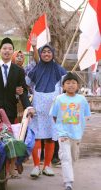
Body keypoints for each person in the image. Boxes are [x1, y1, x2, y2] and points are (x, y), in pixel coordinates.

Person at [26, 44, 67, 177]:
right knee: (37, 137)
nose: (46, 54)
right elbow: (26, 84)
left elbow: (66, 85)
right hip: (37, 108)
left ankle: (47, 166)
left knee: (50, 137)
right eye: (43, 52)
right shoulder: (35, 69)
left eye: (49, 52)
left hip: (53, 109)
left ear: (53, 54)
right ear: (40, 54)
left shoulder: (58, 69)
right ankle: (36, 166)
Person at [49, 72, 91, 190]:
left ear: (78, 85)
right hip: (63, 133)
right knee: (66, 157)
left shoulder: (82, 99)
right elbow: (54, 115)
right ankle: (68, 182)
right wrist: (60, 128)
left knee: (73, 157)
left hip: (77, 134)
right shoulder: (59, 99)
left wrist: (79, 125)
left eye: (73, 83)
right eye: (68, 83)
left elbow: (86, 115)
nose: (71, 85)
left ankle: (68, 176)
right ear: (63, 86)